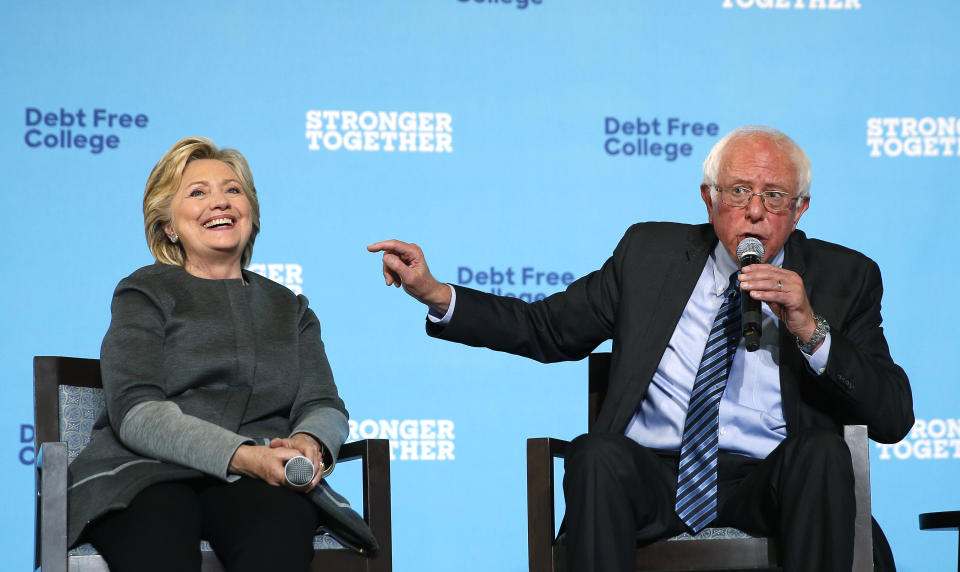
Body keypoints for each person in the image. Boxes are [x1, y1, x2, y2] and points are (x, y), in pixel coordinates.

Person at [368, 126, 913, 572]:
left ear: (800, 210)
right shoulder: (647, 254)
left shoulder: (846, 276)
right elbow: (546, 328)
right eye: (739, 191)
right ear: (709, 198)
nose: (753, 211)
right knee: (595, 454)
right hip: (655, 475)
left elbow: (893, 416)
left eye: (773, 197)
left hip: (771, 481)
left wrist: (810, 328)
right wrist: (436, 294)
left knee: (820, 454)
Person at [68, 137, 375, 572]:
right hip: (145, 473)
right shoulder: (144, 292)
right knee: (159, 536)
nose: (220, 202)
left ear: (250, 211)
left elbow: (323, 404)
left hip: (256, 480)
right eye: (197, 192)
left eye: (232, 190)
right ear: (169, 225)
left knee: (278, 528)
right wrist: (245, 454)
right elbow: (136, 411)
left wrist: (311, 442)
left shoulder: (291, 308)